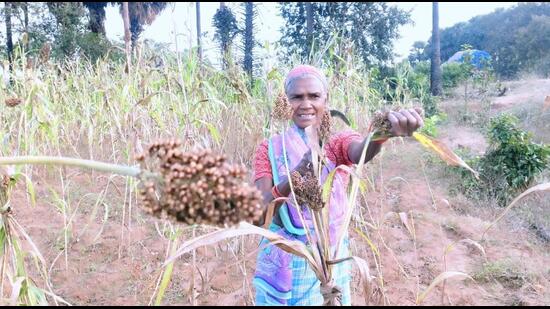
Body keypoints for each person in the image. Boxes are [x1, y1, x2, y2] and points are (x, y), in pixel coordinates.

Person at [252, 64, 423, 306]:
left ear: (326, 100)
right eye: (296, 97)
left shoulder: (335, 142)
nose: (305, 104)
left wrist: (382, 134)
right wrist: (293, 178)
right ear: (285, 101)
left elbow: (360, 151)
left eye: (314, 96)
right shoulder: (269, 148)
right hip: (287, 260)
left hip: (330, 259)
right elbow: (258, 215)